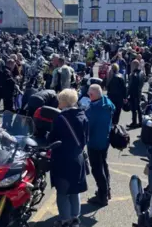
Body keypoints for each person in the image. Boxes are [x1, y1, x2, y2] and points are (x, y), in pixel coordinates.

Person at [48, 89, 88, 227]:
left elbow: (52, 138)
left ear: (64, 102)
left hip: (63, 159)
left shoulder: (60, 118)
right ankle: (75, 217)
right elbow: (85, 138)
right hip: (78, 157)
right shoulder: (83, 115)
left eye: (60, 100)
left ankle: (65, 220)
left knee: (63, 192)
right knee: (74, 190)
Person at [85, 84, 114, 206]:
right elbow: (114, 108)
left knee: (97, 169)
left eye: (89, 94)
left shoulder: (92, 110)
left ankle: (102, 196)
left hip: (95, 142)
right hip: (105, 140)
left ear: (92, 95)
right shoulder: (107, 103)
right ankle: (107, 190)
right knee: (104, 165)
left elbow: (87, 126)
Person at [127, 60, 145, 128]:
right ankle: (140, 122)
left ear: (134, 65)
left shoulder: (133, 74)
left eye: (132, 65)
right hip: (139, 92)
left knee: (134, 109)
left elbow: (130, 86)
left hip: (133, 93)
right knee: (139, 108)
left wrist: (126, 95)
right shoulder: (142, 73)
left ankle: (134, 122)